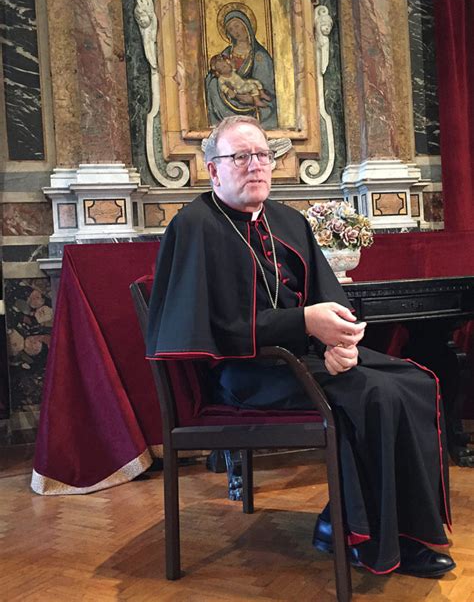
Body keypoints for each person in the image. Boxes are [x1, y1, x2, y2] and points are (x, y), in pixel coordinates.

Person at [146, 116, 455, 577]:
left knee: (413, 381)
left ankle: (385, 528)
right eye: (240, 157)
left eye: (263, 156)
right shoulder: (194, 227)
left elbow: (328, 297)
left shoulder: (287, 220)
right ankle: (364, 536)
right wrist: (304, 322)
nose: (256, 166)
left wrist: (342, 342)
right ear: (213, 170)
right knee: (373, 395)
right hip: (244, 374)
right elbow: (210, 330)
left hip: (299, 362)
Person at [205, 8, 278, 129]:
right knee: (212, 83)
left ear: (246, 25)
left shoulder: (259, 56)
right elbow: (213, 76)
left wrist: (251, 98)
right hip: (229, 97)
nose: (236, 31)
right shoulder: (226, 53)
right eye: (231, 29)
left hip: (252, 101)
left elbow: (270, 88)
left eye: (237, 26)